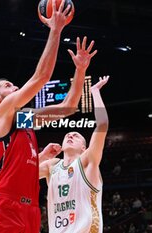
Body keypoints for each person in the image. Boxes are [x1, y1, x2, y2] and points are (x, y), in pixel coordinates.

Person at [0, 0, 97, 232]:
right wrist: (56, 29)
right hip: (5, 206)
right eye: (8, 85)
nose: (14, 88)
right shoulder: (3, 114)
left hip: (31, 209)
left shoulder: (23, 121)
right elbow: (41, 77)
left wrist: (81, 69)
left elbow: (68, 108)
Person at [39, 76, 110, 233]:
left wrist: (95, 91)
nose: (70, 136)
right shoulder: (52, 166)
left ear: (84, 148)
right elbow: (21, 174)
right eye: (67, 135)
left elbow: (103, 125)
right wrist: (43, 156)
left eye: (76, 135)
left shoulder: (87, 162)